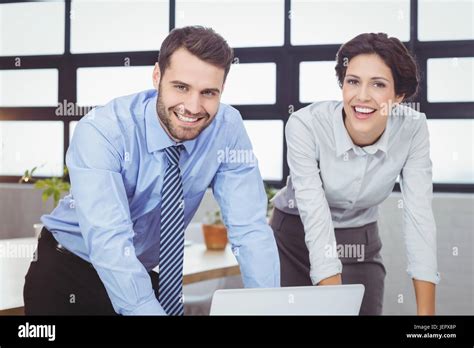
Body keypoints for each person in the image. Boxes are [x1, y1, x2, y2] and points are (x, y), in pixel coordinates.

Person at [24, 26, 280, 316]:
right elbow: (110, 241)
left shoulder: (227, 128)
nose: (193, 107)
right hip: (68, 272)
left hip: (140, 273)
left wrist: (268, 306)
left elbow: (250, 230)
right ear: (157, 76)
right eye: (181, 87)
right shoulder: (103, 132)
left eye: (208, 92)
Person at [271, 33, 439, 315]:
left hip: (360, 241)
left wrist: (427, 316)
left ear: (399, 95)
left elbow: (419, 217)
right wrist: (335, 306)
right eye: (353, 81)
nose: (362, 96)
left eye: (378, 84)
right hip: (294, 238)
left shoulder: (412, 129)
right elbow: (315, 212)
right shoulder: (305, 125)